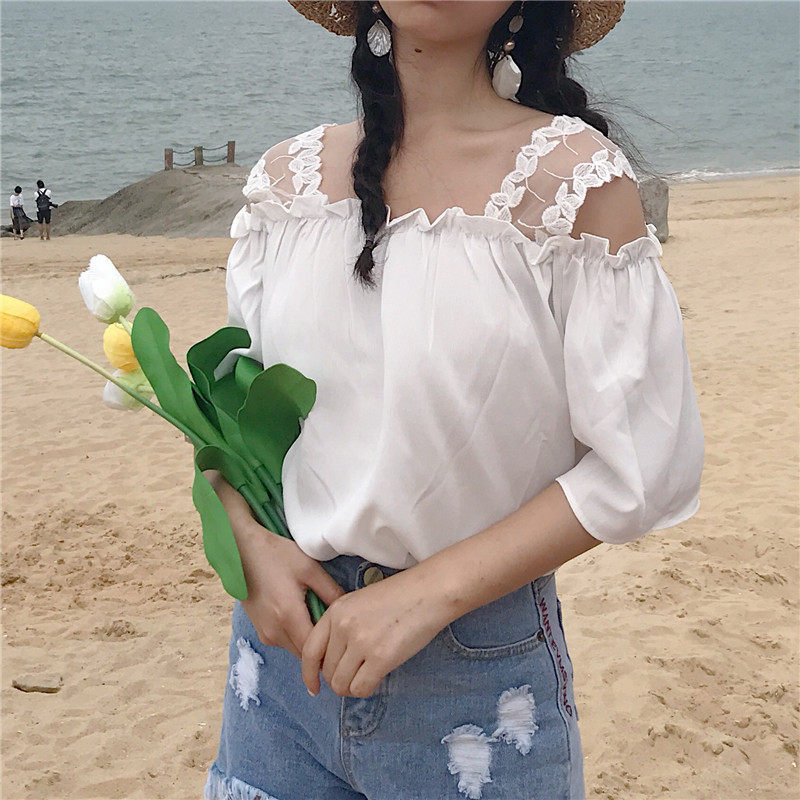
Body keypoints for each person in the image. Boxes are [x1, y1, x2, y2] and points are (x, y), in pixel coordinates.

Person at [202, 2, 705, 799]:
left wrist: (427, 595)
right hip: (279, 669)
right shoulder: (284, 185)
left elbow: (641, 466)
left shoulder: (572, 183)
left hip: (476, 680)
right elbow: (231, 416)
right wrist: (245, 546)